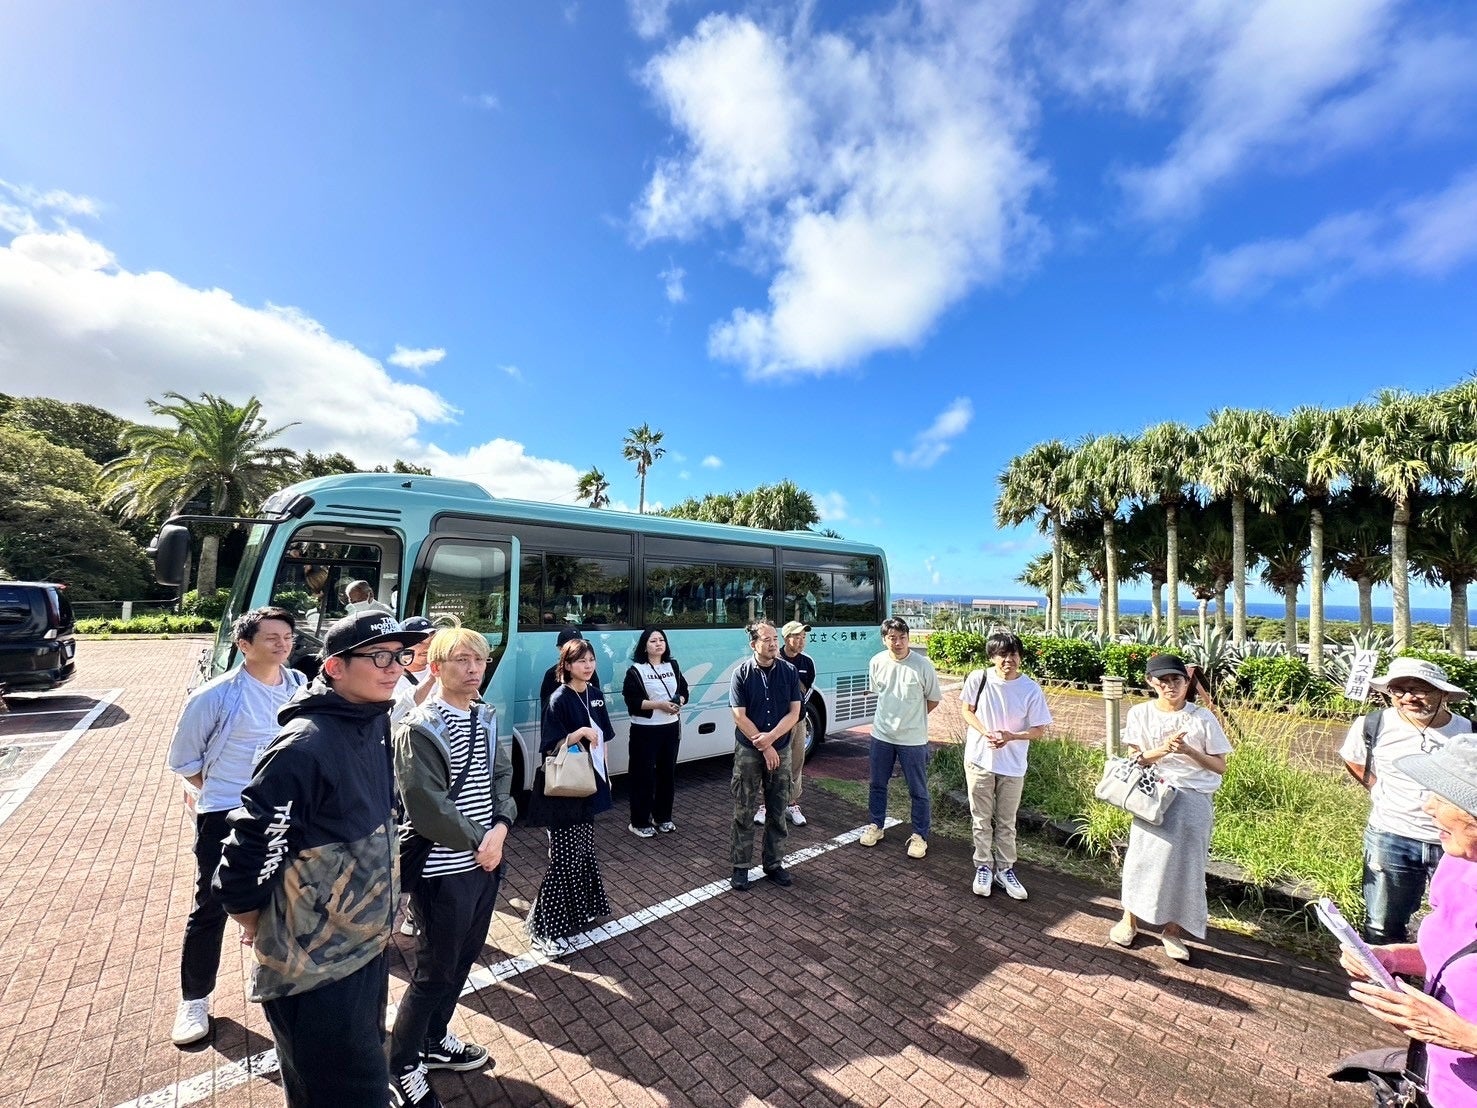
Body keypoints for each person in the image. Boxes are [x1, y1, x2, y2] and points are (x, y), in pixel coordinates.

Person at [215, 611, 429, 1108]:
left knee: (364, 1076)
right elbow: (248, 852)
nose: (394, 667)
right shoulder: (306, 744)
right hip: (313, 971)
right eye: (378, 656)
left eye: (399, 655)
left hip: (365, 948)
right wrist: (260, 920)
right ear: (334, 667)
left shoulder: (372, 722)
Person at [164, 606, 306, 1047]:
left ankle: (276, 984)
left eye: (287, 637)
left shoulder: (300, 686)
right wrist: (227, 795)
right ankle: (194, 999)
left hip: (285, 812)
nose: (283, 644)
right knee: (211, 904)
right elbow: (184, 760)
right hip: (226, 813)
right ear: (244, 645)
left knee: (285, 901)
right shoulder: (216, 695)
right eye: (271, 638)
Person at [388, 627, 517, 1108]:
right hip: (444, 869)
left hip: (486, 861)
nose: (473, 668)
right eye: (462, 659)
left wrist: (500, 826)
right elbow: (426, 806)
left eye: (479, 659)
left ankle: (434, 1039)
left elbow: (501, 774)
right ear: (436, 667)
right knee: (434, 970)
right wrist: (482, 841)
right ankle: (402, 1064)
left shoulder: (486, 714)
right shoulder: (420, 726)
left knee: (463, 958)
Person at [1344, 735, 1477, 1106]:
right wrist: (1389, 957)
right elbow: (1453, 951)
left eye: (1443, 796)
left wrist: (1463, 1036)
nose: (1427, 806)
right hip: (1434, 1083)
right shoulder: (1458, 863)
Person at [1339, 657, 1473, 944]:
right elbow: (1353, 759)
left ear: (1443, 693)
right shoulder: (1372, 724)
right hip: (1390, 836)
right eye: (1398, 689)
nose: (1408, 697)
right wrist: (1378, 789)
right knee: (1382, 925)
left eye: (1419, 689)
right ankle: (1383, 970)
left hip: (1454, 843)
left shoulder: (1468, 734)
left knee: (1460, 923)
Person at [1109, 653, 1232, 963]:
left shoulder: (1203, 718)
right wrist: (1163, 750)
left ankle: (1173, 930)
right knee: (1142, 859)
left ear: (1186, 681)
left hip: (1193, 799)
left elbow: (1220, 766)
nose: (1170, 686)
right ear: (1150, 682)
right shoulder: (1140, 713)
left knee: (1187, 866)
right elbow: (1136, 759)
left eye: (1176, 679)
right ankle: (1129, 920)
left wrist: (1189, 750)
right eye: (1162, 680)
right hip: (1152, 794)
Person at [524, 636, 613, 957]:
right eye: (580, 661)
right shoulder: (559, 698)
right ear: (567, 665)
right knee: (564, 858)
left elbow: (604, 739)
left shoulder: (595, 695)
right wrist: (577, 734)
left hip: (591, 782)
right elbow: (550, 746)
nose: (587, 666)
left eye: (591, 660)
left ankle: (581, 908)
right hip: (565, 787)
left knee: (584, 851)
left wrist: (607, 775)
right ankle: (543, 927)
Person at [958, 630, 1052, 900]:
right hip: (979, 760)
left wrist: (1011, 736)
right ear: (992, 656)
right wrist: (985, 732)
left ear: (1020, 657)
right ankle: (983, 866)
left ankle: (1005, 869)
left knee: (1007, 822)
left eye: (1013, 654)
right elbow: (966, 710)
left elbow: (1038, 730)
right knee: (981, 818)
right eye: (1002, 654)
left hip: (1013, 765)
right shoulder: (979, 678)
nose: (1008, 659)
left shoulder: (1030, 688)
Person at [728, 620, 802, 891]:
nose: (773, 644)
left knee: (778, 808)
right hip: (749, 750)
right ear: (753, 644)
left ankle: (774, 863)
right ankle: (740, 867)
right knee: (744, 808)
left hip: (780, 747)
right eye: (766, 639)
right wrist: (765, 745)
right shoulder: (741, 674)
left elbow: (794, 712)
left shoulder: (789, 672)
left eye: (775, 639)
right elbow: (739, 716)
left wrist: (772, 739)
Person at [859, 617, 941, 858]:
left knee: (918, 790)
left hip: (913, 740)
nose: (898, 642)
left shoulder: (922, 665)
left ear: (908, 638)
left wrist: (913, 718)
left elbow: (933, 699)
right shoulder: (877, 662)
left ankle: (920, 835)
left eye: (902, 637)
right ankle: (876, 825)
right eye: (892, 638)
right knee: (877, 784)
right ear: (884, 640)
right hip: (881, 735)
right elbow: (879, 692)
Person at [621, 627, 689, 838]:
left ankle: (663, 818)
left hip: (670, 728)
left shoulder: (673, 666)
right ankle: (639, 821)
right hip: (645, 730)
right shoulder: (636, 671)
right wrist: (659, 705)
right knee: (643, 776)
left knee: (666, 775)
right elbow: (632, 702)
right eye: (653, 641)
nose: (658, 644)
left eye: (661, 640)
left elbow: (684, 691)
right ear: (644, 646)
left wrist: (679, 702)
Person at [755, 621, 816, 828]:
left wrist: (796, 711)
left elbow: (807, 690)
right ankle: (766, 804)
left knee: (796, 762)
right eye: (796, 637)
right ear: (786, 638)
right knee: (771, 763)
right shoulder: (774, 658)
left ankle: (792, 803)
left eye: (803, 637)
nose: (801, 641)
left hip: (797, 721)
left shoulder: (807, 662)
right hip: (774, 723)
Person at [392, 616, 438, 726]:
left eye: (431, 642)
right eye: (419, 642)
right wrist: (431, 679)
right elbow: (394, 720)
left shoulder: (444, 671)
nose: (427, 648)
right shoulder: (391, 677)